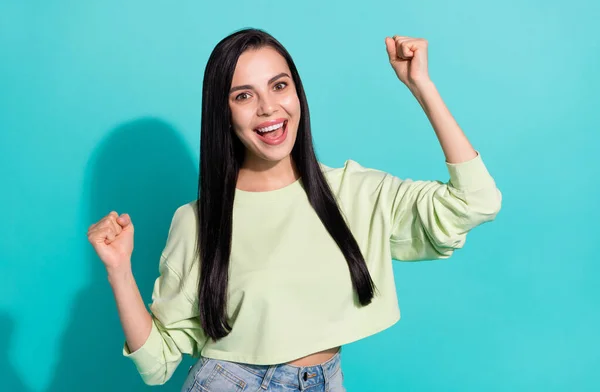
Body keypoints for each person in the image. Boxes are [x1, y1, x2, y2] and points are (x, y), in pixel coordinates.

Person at [87, 28, 502, 391]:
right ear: (223, 113)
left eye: (279, 86)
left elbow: (477, 201)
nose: (268, 108)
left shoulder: (355, 193)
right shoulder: (199, 221)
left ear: (298, 94)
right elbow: (157, 365)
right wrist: (119, 270)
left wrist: (421, 86)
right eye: (244, 95)